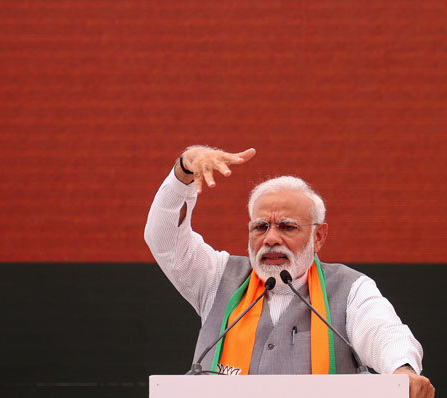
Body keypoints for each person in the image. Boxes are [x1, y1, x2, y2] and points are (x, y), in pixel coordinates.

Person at [144, 145, 434, 398]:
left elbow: (385, 332)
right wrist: (183, 173)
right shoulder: (218, 277)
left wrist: (402, 371)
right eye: (260, 227)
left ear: (318, 237)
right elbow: (163, 238)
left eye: (286, 227)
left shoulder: (349, 289)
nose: (270, 238)